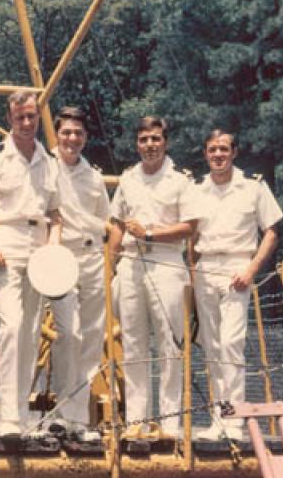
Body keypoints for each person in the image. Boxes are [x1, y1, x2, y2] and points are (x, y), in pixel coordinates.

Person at [0, 90, 62, 437]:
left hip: (40, 244)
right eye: (20, 117)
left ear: (38, 118)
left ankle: (21, 414)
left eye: (32, 117)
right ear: (10, 119)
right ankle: (8, 415)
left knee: (32, 330)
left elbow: (55, 213)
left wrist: (53, 246)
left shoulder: (49, 161)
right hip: (5, 241)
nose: (26, 123)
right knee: (12, 325)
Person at [184, 130, 283, 442]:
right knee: (212, 347)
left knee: (231, 343)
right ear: (205, 153)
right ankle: (218, 419)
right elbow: (191, 235)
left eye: (224, 149)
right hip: (205, 267)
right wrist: (191, 271)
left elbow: (271, 231)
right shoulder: (197, 188)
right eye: (212, 149)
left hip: (238, 267)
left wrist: (252, 268)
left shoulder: (252, 186)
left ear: (234, 152)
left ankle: (234, 420)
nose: (218, 155)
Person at [108, 116, 195, 440]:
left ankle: (171, 422)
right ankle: (137, 421)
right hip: (131, 262)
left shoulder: (180, 180)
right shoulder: (129, 179)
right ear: (137, 144)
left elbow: (189, 227)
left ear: (165, 142)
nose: (150, 145)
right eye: (144, 140)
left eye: (156, 139)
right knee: (133, 344)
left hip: (166, 262)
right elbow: (117, 223)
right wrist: (111, 262)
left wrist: (151, 233)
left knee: (170, 343)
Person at [44, 106, 109, 443]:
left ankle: (78, 419)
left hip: (93, 256)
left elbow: (105, 220)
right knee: (69, 334)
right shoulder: (44, 166)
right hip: (60, 253)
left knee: (92, 338)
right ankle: (59, 412)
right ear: (57, 134)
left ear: (86, 137)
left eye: (78, 133)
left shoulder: (94, 176)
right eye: (66, 132)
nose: (72, 139)